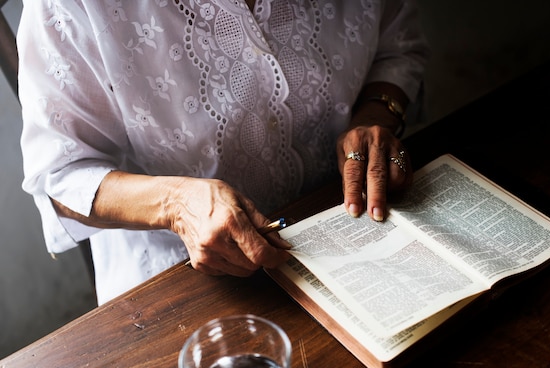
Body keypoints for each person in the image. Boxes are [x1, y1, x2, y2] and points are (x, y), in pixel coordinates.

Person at [17, 0, 429, 304]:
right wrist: (176, 205)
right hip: (186, 286)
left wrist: (375, 115)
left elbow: (398, 44)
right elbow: (60, 177)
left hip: (352, 225)